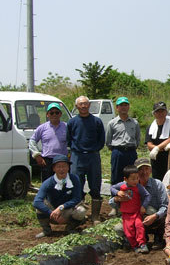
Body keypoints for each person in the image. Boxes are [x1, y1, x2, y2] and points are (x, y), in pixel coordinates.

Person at [110, 158, 169, 249]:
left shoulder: (157, 184)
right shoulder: (126, 185)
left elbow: (165, 206)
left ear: (150, 170)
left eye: (146, 169)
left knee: (152, 211)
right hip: (131, 217)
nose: (144, 172)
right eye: (140, 169)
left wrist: (155, 216)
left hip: (151, 218)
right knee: (118, 229)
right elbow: (111, 202)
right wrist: (117, 198)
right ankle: (138, 239)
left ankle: (158, 238)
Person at [67, 95, 105, 224]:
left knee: (95, 184)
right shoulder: (72, 122)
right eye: (80, 104)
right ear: (77, 106)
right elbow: (68, 139)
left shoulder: (96, 121)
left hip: (93, 155)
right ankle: (79, 215)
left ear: (89, 105)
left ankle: (95, 216)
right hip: (77, 156)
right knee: (77, 184)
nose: (83, 106)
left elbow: (101, 139)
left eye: (85, 104)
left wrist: (94, 149)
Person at [32, 155, 86, 238]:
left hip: (67, 210)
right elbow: (36, 202)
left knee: (81, 211)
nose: (62, 169)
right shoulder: (48, 182)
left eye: (64, 166)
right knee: (39, 207)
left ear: (68, 168)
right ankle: (46, 230)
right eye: (58, 167)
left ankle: (70, 229)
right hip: (52, 211)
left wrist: (62, 207)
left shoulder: (74, 179)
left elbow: (77, 198)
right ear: (54, 169)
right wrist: (52, 213)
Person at [110, 165, 151, 254]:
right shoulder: (122, 185)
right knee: (129, 232)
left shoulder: (139, 187)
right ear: (126, 179)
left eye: (137, 178)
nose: (136, 181)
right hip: (126, 214)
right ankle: (135, 246)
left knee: (139, 226)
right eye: (133, 179)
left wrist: (143, 206)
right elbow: (111, 188)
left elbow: (147, 195)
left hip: (136, 212)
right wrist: (117, 192)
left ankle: (142, 244)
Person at [106, 97, 141, 185]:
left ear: (129, 107)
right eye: (121, 105)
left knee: (132, 175)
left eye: (126, 105)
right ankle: (115, 197)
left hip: (131, 152)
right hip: (118, 152)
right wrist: (116, 149)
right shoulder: (112, 123)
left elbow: (137, 139)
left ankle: (132, 196)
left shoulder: (135, 123)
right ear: (117, 108)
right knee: (116, 176)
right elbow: (108, 141)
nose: (124, 107)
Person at [29, 102, 68, 182]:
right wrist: (37, 155)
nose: (54, 115)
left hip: (62, 161)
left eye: (57, 112)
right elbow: (32, 141)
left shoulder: (66, 127)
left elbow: (72, 142)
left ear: (60, 114)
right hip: (47, 161)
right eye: (51, 113)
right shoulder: (42, 128)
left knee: (63, 184)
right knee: (48, 184)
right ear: (47, 114)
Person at [145, 101, 170, 181]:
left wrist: (157, 148)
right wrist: (158, 148)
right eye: (157, 111)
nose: (160, 114)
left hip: (168, 157)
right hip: (155, 158)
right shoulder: (150, 127)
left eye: (162, 111)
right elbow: (149, 144)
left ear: (166, 112)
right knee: (157, 180)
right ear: (154, 113)